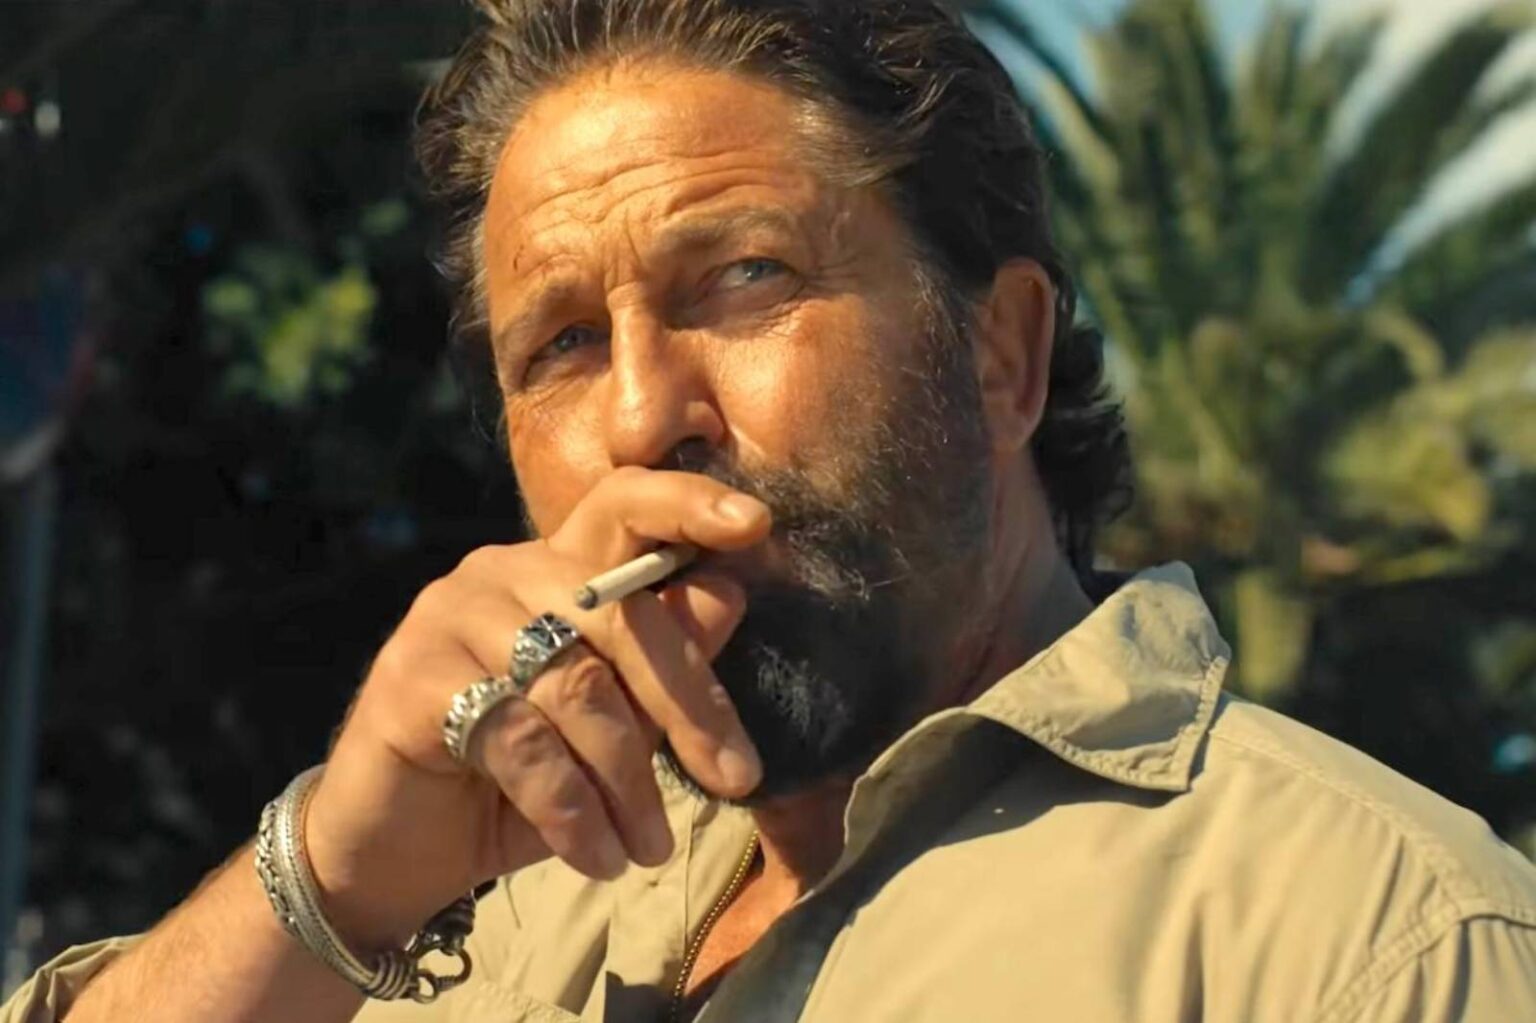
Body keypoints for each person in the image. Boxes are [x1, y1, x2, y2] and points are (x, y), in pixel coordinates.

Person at [7, 1, 1536, 1020]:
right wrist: (332, 880)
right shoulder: (456, 919)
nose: (640, 417)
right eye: (562, 345)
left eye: (745, 277)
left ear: (1000, 356)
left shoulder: (1369, 942)